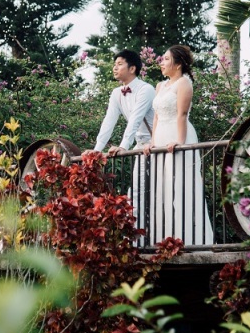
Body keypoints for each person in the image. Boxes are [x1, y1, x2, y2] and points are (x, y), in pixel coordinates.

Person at [143, 45, 213, 245]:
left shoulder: (184, 84)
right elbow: (156, 118)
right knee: (161, 187)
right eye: (162, 59)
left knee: (182, 186)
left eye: (166, 59)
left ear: (178, 63)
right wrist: (152, 142)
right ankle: (164, 239)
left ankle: (191, 240)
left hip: (179, 134)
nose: (162, 62)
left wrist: (180, 143)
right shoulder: (160, 86)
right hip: (160, 138)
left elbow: (182, 115)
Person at [84, 50, 155, 243]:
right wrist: (97, 150)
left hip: (159, 144)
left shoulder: (146, 89)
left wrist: (124, 146)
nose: (115, 67)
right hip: (141, 147)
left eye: (120, 63)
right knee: (137, 193)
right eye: (114, 63)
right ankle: (137, 242)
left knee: (157, 192)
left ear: (132, 68)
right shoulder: (116, 93)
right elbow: (109, 122)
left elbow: (135, 119)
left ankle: (160, 239)